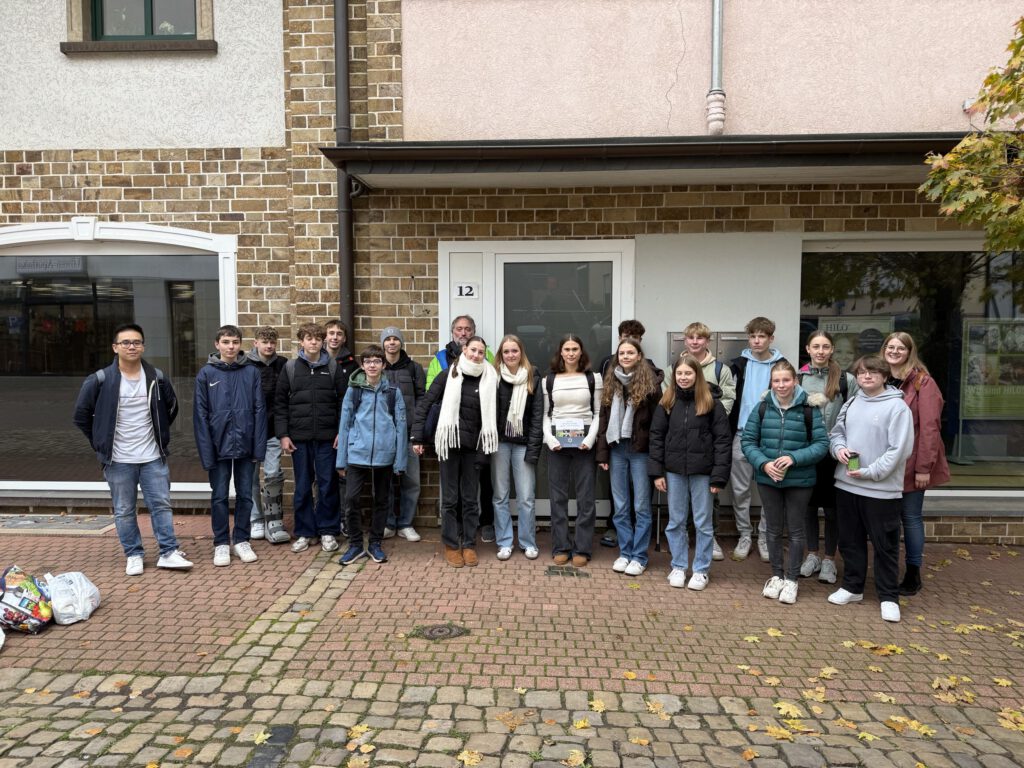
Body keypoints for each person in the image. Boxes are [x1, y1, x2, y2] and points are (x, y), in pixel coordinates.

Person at [72, 323, 193, 576]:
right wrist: (100, 442)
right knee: (124, 510)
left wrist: (159, 434)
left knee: (161, 505)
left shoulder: (156, 377)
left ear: (143, 347)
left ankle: (168, 552)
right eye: (125, 342)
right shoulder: (100, 379)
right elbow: (81, 416)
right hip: (118, 459)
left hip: (153, 456)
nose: (131, 346)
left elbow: (171, 408)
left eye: (137, 342)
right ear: (115, 347)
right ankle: (134, 554)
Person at [828, 355, 915, 623]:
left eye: (873, 372)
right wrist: (839, 449)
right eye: (862, 372)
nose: (867, 377)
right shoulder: (852, 402)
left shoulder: (898, 408)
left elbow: (899, 451)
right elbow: (837, 433)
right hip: (847, 485)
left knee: (885, 545)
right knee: (849, 541)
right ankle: (852, 587)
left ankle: (888, 597)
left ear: (885, 376)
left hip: (881, 491)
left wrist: (870, 472)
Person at [742, 360, 829, 605]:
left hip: (799, 480)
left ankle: (792, 579)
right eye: (776, 381)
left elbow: (822, 444)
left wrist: (794, 458)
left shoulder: (809, 408)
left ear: (795, 381)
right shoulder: (762, 408)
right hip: (768, 479)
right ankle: (776, 576)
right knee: (772, 529)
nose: (781, 385)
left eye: (786, 380)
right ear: (771, 383)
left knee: (796, 530)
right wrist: (763, 464)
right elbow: (748, 441)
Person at [413, 335, 499, 568]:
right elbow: (425, 405)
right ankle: (451, 545)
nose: (476, 355)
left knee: (470, 500)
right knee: (450, 500)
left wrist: (484, 450)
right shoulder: (448, 374)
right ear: (464, 350)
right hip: (449, 445)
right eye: (473, 350)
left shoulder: (490, 378)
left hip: (474, 447)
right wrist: (417, 436)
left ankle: (469, 545)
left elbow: (492, 417)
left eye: (481, 352)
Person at [648, 355, 731, 590]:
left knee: (703, 523)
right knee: (676, 521)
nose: (683, 377)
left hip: (703, 473)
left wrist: (718, 476)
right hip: (674, 472)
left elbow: (722, 442)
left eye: (688, 373)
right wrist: (657, 472)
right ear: (674, 376)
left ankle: (701, 570)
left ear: (697, 375)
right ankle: (678, 566)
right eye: (679, 373)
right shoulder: (667, 402)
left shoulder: (711, 403)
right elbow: (656, 438)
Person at [881, 331, 950, 596]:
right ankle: (886, 569)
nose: (894, 351)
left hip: (911, 464)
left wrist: (924, 468)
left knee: (909, 517)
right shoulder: (880, 378)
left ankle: (913, 573)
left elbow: (930, 428)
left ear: (910, 352)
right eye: (890, 347)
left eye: (900, 348)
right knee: (887, 518)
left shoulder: (923, 383)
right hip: (885, 463)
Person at [193, 324, 267, 567]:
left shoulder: (251, 372)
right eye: (225, 342)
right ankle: (221, 543)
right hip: (218, 445)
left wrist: (258, 448)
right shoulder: (206, 374)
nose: (231, 346)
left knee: (245, 495)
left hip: (246, 444)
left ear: (240, 344)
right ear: (217, 344)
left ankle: (242, 540)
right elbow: (200, 415)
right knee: (219, 496)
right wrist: (207, 452)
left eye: (235, 342)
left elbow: (259, 410)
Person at [275, 322, 347, 554]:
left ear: (322, 341)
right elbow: (280, 403)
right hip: (299, 438)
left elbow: (343, 402)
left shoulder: (333, 367)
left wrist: (341, 432)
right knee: (303, 486)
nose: (314, 342)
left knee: (327, 485)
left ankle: (328, 530)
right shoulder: (291, 368)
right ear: (301, 342)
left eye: (317, 338)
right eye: (309, 338)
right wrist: (283, 434)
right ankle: (305, 532)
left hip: (328, 437)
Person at [426, 314, 497, 543]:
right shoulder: (440, 359)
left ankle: (484, 525)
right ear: (453, 333)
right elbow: (431, 391)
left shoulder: (488, 356)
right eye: (459, 329)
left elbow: (493, 388)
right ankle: (455, 530)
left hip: (478, 435)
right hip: (450, 432)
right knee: (451, 492)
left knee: (480, 485)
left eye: (467, 329)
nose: (463, 332)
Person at [596, 338, 663, 576]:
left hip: (641, 451)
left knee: (641, 506)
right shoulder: (611, 381)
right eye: (622, 353)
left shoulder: (651, 384)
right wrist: (602, 454)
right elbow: (604, 419)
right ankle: (625, 553)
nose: (625, 356)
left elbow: (658, 424)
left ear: (639, 356)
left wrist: (657, 458)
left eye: (630, 352)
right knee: (621, 506)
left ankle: (639, 556)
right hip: (616, 448)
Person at [336, 345, 407, 566]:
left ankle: (375, 543)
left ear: (383, 365)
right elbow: (345, 425)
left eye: (377, 361)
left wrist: (400, 461)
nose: (372, 365)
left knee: (382, 500)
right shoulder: (353, 391)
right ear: (362, 365)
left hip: (385, 455)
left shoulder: (393, 392)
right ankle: (356, 544)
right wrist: (341, 460)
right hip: (357, 453)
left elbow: (401, 426)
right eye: (368, 361)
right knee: (351, 499)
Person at [796, 330, 858, 584]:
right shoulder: (798, 378)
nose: (820, 351)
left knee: (833, 511)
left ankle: (830, 559)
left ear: (831, 350)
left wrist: (854, 462)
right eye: (816, 346)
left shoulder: (846, 379)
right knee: (808, 507)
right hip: (808, 452)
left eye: (825, 347)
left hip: (835, 454)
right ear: (808, 349)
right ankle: (812, 555)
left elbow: (856, 420)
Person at [729, 317, 787, 562]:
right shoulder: (738, 365)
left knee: (769, 490)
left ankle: (764, 537)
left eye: (762, 336)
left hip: (771, 436)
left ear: (771, 338)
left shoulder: (782, 366)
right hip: (742, 434)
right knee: (740, 490)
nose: (756, 341)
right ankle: (744, 535)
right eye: (752, 336)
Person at [542, 334, 603, 567]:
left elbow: (598, 413)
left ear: (581, 351)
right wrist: (549, 439)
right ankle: (561, 547)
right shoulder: (549, 380)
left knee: (586, 498)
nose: (570, 353)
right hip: (557, 443)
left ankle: (582, 548)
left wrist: (590, 439)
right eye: (566, 349)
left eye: (574, 349)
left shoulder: (593, 378)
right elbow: (546, 414)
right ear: (560, 352)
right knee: (558, 498)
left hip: (584, 442)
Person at [682, 321, 736, 561]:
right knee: (682, 492)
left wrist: (707, 417)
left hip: (708, 438)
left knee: (708, 490)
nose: (695, 341)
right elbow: (668, 398)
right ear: (685, 341)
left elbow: (728, 399)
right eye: (691, 337)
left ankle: (710, 536)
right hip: (682, 438)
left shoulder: (721, 369)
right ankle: (683, 533)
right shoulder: (676, 367)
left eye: (700, 338)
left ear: (708, 341)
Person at [491, 334, 544, 560]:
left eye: (514, 350)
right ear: (501, 355)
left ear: (521, 352)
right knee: (500, 496)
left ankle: (528, 542)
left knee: (526, 497)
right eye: (506, 351)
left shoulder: (533, 375)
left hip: (523, 444)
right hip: (500, 444)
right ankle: (504, 542)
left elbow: (537, 416)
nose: (511, 355)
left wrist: (533, 448)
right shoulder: (493, 376)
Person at [245, 326, 290, 544]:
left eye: (272, 342)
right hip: (251, 431)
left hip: (273, 429)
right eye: (265, 342)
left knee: (272, 474)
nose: (269, 346)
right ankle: (256, 518)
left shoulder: (283, 364)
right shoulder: (245, 365)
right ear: (256, 343)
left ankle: (274, 519)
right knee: (251, 477)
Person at [381, 326, 425, 542]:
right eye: (388, 339)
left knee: (411, 481)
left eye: (395, 339)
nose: (392, 342)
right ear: (383, 344)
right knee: (385, 481)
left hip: (408, 434)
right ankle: (388, 523)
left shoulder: (414, 368)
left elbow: (422, 400)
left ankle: (406, 524)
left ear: (401, 342)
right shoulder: (376, 368)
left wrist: (418, 433)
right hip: (384, 435)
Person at [325, 319, 361, 535]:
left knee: (344, 477)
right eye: (331, 333)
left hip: (344, 429)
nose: (335, 337)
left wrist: (344, 431)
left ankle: (346, 519)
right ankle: (328, 521)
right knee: (323, 478)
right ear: (325, 336)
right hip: (321, 427)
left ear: (344, 338)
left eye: (339, 333)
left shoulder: (352, 365)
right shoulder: (316, 360)